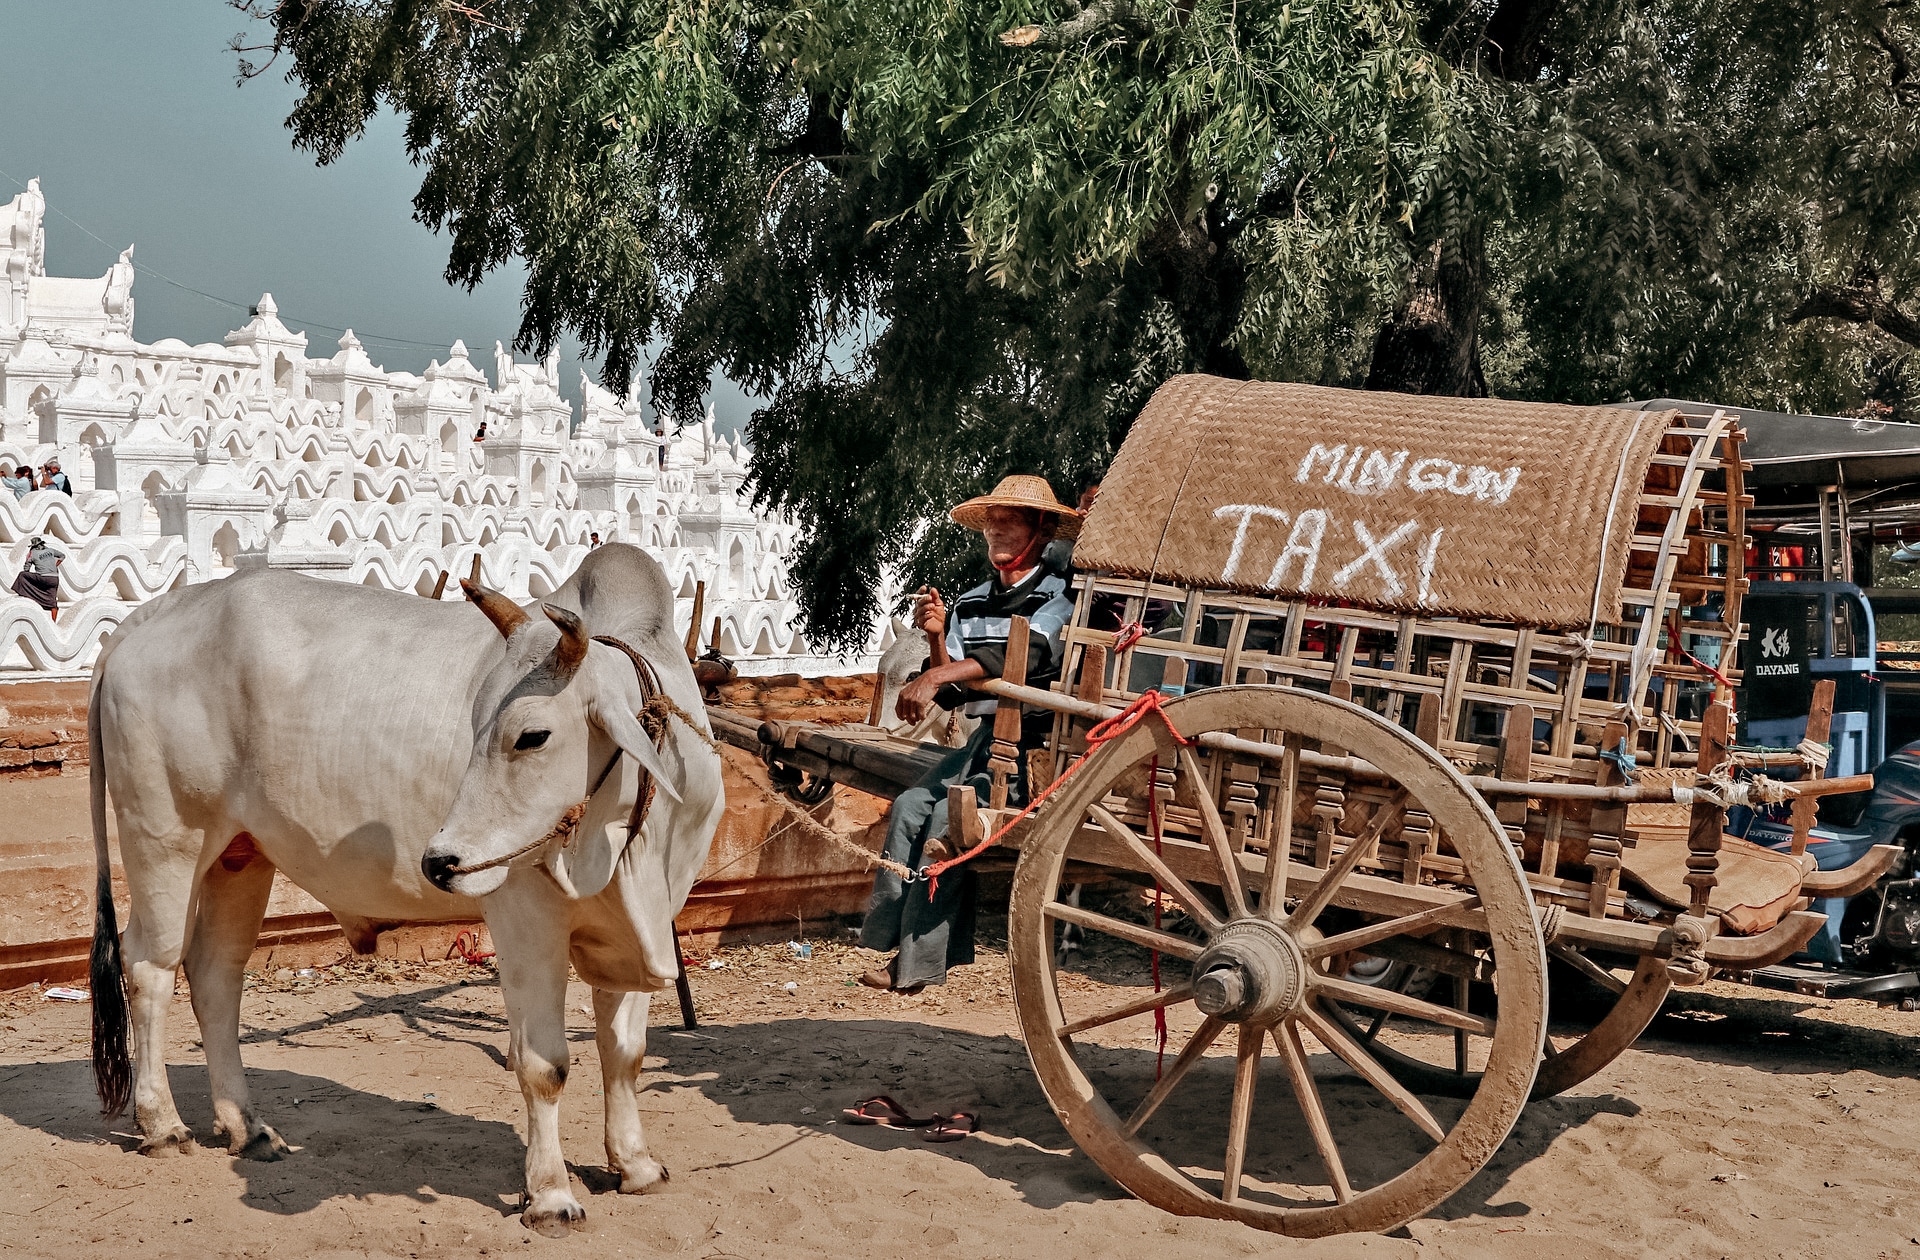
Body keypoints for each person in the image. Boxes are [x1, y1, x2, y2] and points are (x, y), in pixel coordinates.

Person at [860, 475, 1080, 992]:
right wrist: (937, 646)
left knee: (947, 819)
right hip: (985, 742)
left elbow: (1021, 660)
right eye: (992, 522)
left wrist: (936, 674)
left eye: (1011, 521)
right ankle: (890, 939)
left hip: (1036, 749)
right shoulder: (971, 602)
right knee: (912, 804)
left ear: (1041, 530)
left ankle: (916, 965)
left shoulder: (1062, 596)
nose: (997, 531)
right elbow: (957, 690)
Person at [11, 535, 64, 621]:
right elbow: (62, 556)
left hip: (43, 578)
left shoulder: (32, 553)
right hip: (54, 579)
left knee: (22, 575)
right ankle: (53, 622)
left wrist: (29, 558)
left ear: (34, 546)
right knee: (53, 601)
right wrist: (55, 565)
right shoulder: (50, 550)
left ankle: (25, 593)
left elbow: (26, 569)